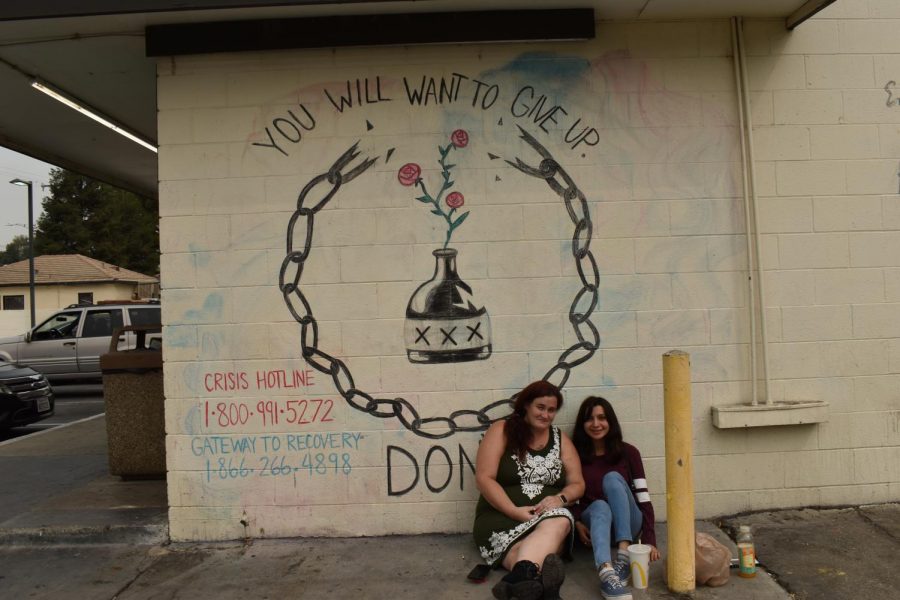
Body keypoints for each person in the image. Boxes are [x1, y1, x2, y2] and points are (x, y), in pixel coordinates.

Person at [473, 380, 585, 600]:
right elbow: (484, 478)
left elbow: (578, 483)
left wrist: (561, 498)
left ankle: (519, 579)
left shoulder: (560, 439)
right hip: (500, 515)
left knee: (559, 520)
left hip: (546, 519)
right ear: (526, 405)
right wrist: (514, 511)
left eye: (551, 410)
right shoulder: (502, 430)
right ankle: (545, 589)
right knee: (550, 547)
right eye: (540, 407)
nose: (546, 414)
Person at [571, 396, 660, 600]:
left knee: (612, 479)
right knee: (600, 505)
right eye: (589, 419)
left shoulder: (629, 453)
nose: (596, 424)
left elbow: (643, 498)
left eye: (602, 418)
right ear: (582, 424)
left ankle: (624, 555)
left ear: (610, 421)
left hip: (629, 524)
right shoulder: (575, 455)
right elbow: (567, 493)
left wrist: (649, 539)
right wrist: (576, 521)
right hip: (597, 526)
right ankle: (607, 574)